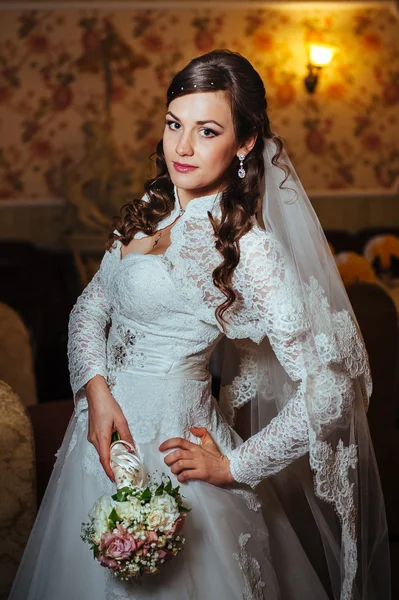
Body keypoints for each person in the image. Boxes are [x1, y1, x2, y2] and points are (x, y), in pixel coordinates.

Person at [9, 49, 390, 600]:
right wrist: (96, 392)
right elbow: (89, 310)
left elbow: (328, 389)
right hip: (101, 443)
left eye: (206, 130)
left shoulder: (246, 249)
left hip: (174, 455)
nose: (181, 147)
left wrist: (235, 466)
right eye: (173, 124)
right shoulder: (150, 207)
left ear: (245, 143)